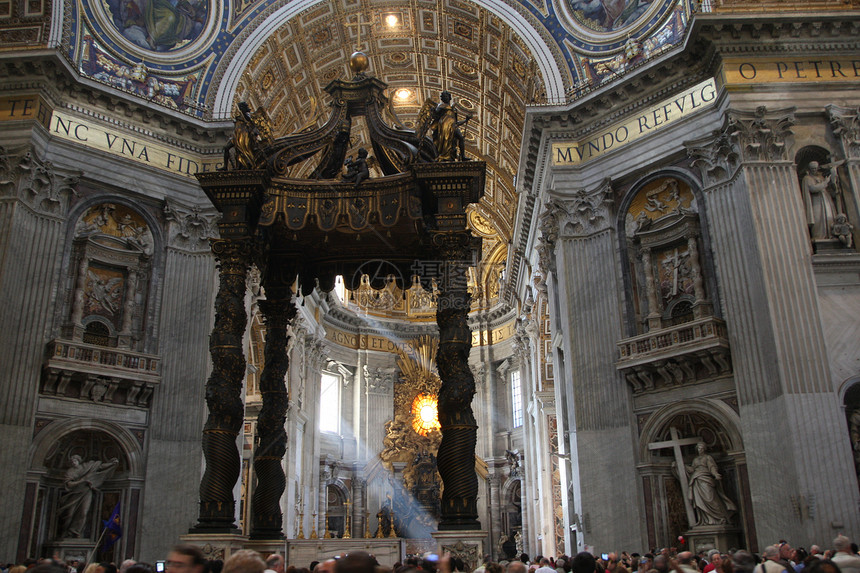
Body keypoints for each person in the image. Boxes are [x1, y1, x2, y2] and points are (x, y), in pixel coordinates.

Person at [57, 455, 119, 537]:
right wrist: (81, 481)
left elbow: (100, 467)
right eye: (72, 461)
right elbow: (69, 484)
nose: (73, 462)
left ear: (79, 461)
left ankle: (76, 532)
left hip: (87, 492)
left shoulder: (87, 466)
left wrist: (111, 464)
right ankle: (65, 533)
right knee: (69, 514)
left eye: (75, 460)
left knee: (83, 512)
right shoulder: (70, 472)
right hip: (74, 494)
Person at [680, 442, 736, 525]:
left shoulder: (708, 457)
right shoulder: (695, 460)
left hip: (706, 479)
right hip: (697, 480)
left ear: (704, 449)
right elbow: (692, 469)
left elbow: (712, 467)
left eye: (702, 448)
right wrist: (681, 466)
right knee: (700, 501)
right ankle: (706, 520)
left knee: (710, 498)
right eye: (699, 448)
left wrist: (716, 474)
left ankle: (720, 517)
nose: (700, 450)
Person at [802, 161, 838, 241]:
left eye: (815, 168)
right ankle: (819, 236)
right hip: (816, 201)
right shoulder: (807, 178)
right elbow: (813, 188)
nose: (814, 170)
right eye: (812, 169)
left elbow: (829, 190)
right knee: (818, 218)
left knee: (829, 216)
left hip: (825, 199)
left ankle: (831, 235)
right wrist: (825, 182)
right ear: (809, 169)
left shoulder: (821, 177)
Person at [432, 91, 472, 161]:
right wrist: (432, 111)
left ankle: (463, 156)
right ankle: (443, 155)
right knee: (445, 140)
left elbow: (456, 123)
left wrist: (466, 120)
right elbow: (435, 115)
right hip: (444, 126)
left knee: (460, 138)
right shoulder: (441, 106)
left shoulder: (454, 110)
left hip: (453, 126)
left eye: (446, 96)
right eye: (444, 97)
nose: (445, 98)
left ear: (449, 98)